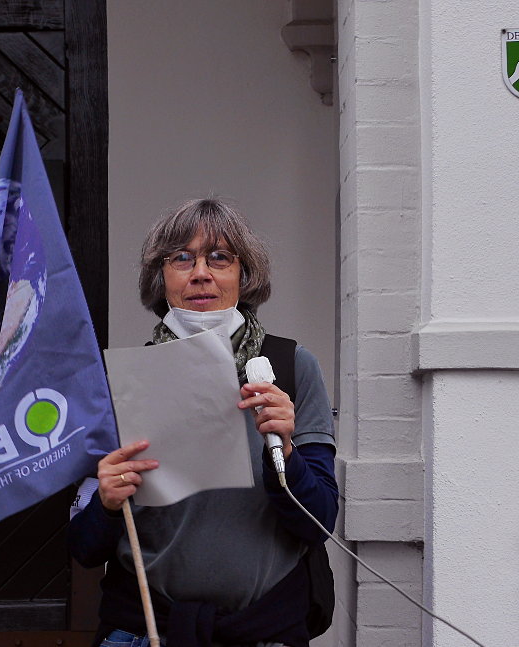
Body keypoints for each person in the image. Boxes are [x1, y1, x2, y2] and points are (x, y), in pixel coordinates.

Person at [68, 198, 339, 647]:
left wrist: (286, 452)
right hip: (144, 632)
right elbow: (85, 546)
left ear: (244, 274)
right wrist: (107, 503)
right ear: (161, 278)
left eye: (220, 257)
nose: (200, 273)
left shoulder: (291, 367)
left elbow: (320, 522)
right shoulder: (123, 381)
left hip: (263, 633)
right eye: (181, 258)